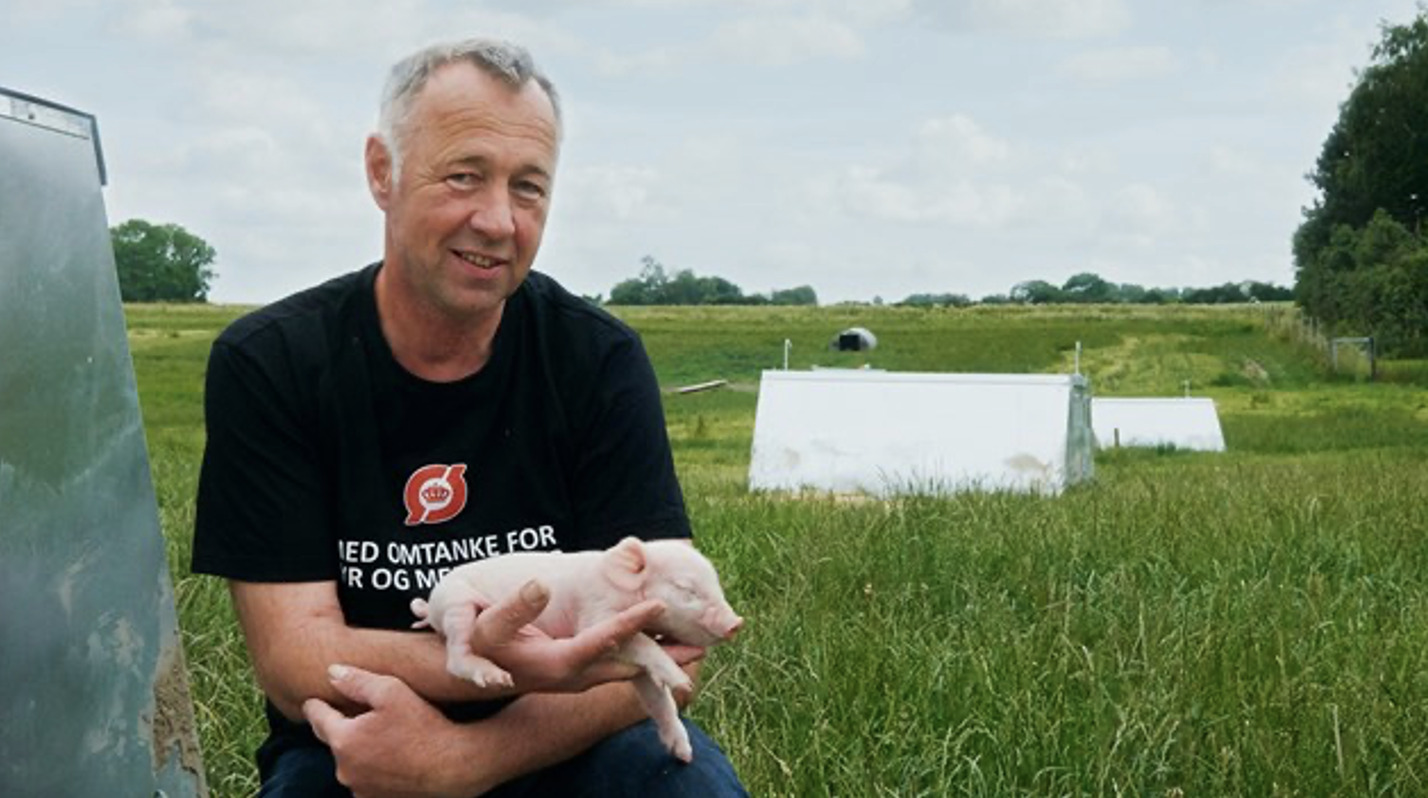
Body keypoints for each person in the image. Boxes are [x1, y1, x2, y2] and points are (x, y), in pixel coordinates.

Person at [191, 37, 748, 797]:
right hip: (361, 739)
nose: (497, 220)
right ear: (382, 172)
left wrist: (469, 763)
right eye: (464, 176)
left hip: (570, 739)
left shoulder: (597, 359)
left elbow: (675, 652)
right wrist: (496, 670)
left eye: (528, 188)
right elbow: (294, 664)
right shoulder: (274, 363)